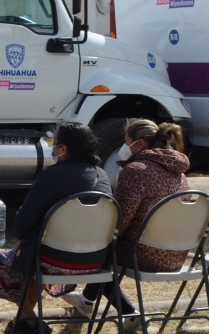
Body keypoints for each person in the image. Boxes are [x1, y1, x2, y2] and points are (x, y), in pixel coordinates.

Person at [0, 123, 112, 334]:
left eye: (54, 144)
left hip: (53, 260)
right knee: (32, 256)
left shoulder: (52, 176)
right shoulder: (101, 176)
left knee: (5, 261)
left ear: (64, 149)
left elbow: (22, 225)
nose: (52, 148)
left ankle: (31, 321)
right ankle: (22, 324)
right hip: (94, 261)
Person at [66, 119, 190, 321]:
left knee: (102, 249)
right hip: (176, 252)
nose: (123, 147)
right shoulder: (180, 172)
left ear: (139, 144)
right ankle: (87, 302)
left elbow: (120, 220)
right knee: (107, 250)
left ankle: (130, 313)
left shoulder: (136, 170)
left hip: (144, 254)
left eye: (126, 141)